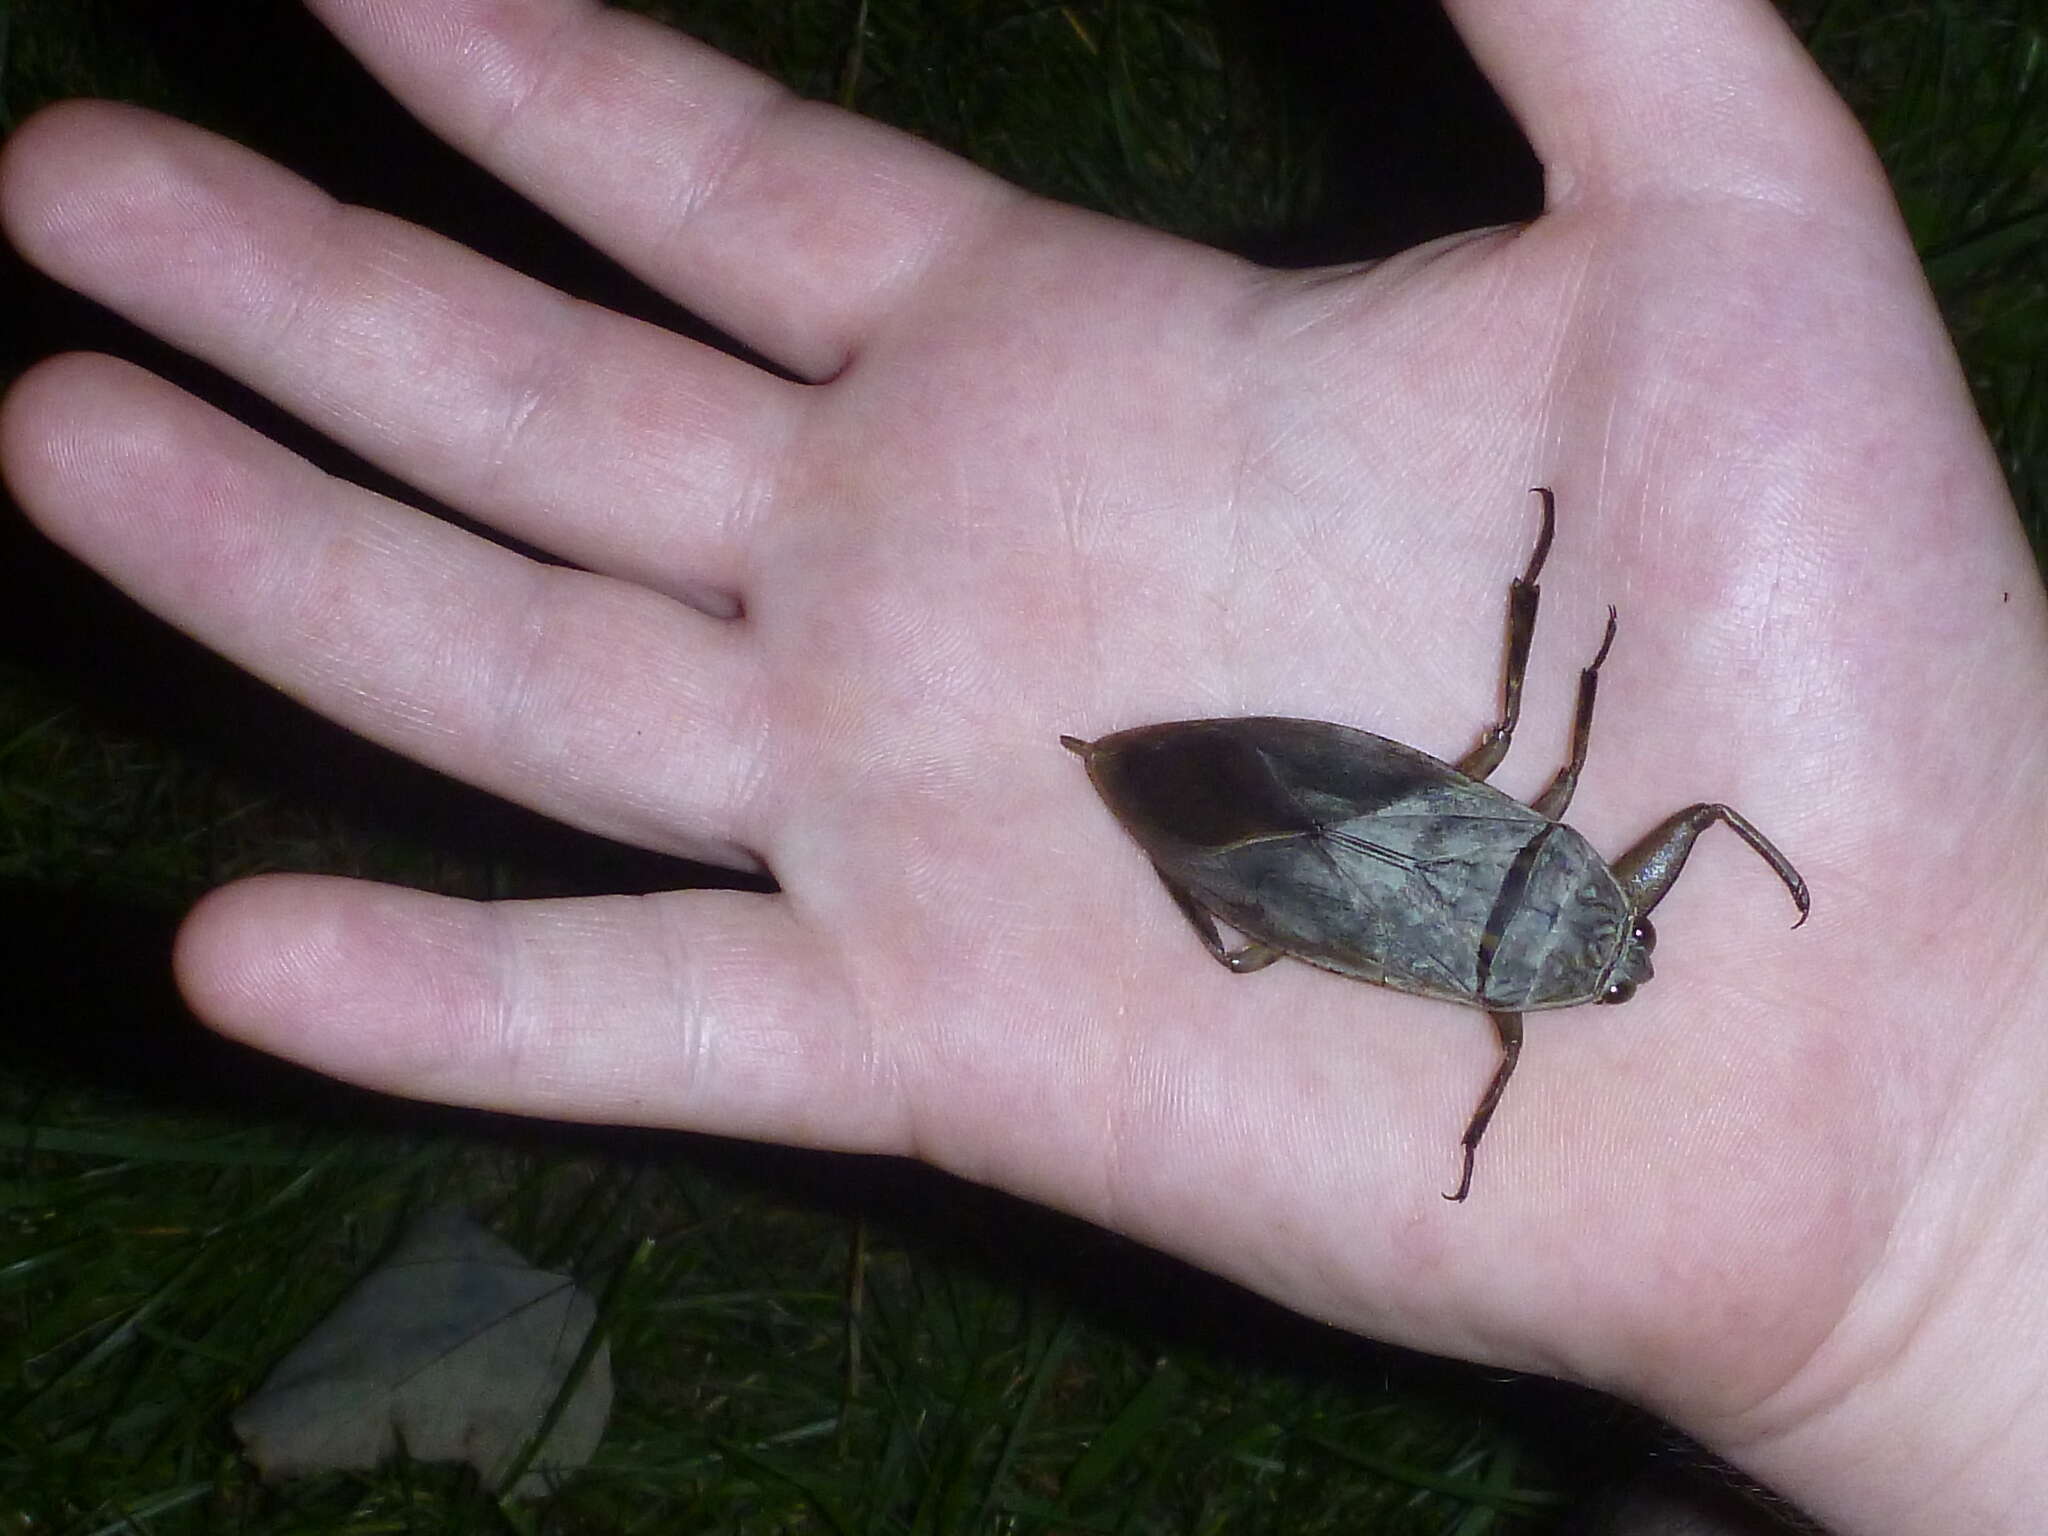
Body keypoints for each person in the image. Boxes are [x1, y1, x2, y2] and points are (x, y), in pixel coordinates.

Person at [2, 2, 2041, 1530]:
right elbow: (1582, 850)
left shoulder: (1544, 855)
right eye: (1631, 917)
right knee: (1320, 896)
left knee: (1481, 759)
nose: (1630, 929)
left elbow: (1571, 753)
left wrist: (1951, 1212)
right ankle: (1137, 802)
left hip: (1328, 818)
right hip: (1314, 867)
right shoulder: (1499, 986)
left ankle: (1136, 792)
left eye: (1618, 933)